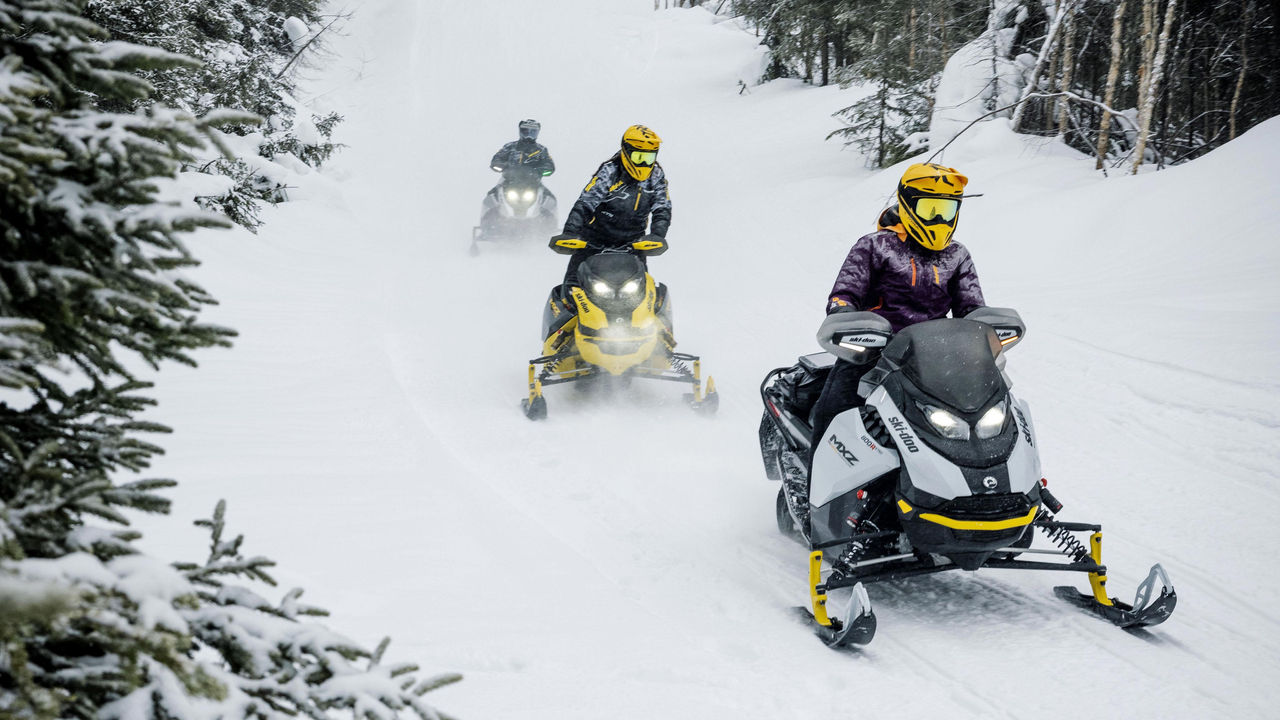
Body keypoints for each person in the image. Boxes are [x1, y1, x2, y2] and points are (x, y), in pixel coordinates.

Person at [808, 162, 986, 465]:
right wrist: (844, 315)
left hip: (934, 359)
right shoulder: (875, 246)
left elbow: (972, 308)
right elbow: (845, 293)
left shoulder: (957, 255)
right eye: (931, 209)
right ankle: (815, 490)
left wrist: (985, 334)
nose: (940, 219)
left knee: (980, 417)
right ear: (907, 205)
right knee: (835, 411)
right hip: (873, 354)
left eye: (947, 210)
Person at [552, 124, 671, 286]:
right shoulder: (609, 171)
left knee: (647, 292)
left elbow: (662, 208)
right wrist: (570, 232)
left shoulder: (656, 176)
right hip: (594, 242)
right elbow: (585, 203)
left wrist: (657, 235)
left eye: (648, 158)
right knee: (572, 288)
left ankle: (656, 312)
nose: (643, 163)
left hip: (634, 246)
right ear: (626, 153)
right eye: (639, 157)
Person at [490, 119, 555, 179]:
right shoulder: (510, 147)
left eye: (532, 132)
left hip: (533, 183)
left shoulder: (541, 150)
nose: (529, 135)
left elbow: (549, 165)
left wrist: (537, 171)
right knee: (494, 191)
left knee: (545, 192)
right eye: (526, 132)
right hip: (508, 180)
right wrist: (505, 167)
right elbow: (497, 158)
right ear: (521, 131)